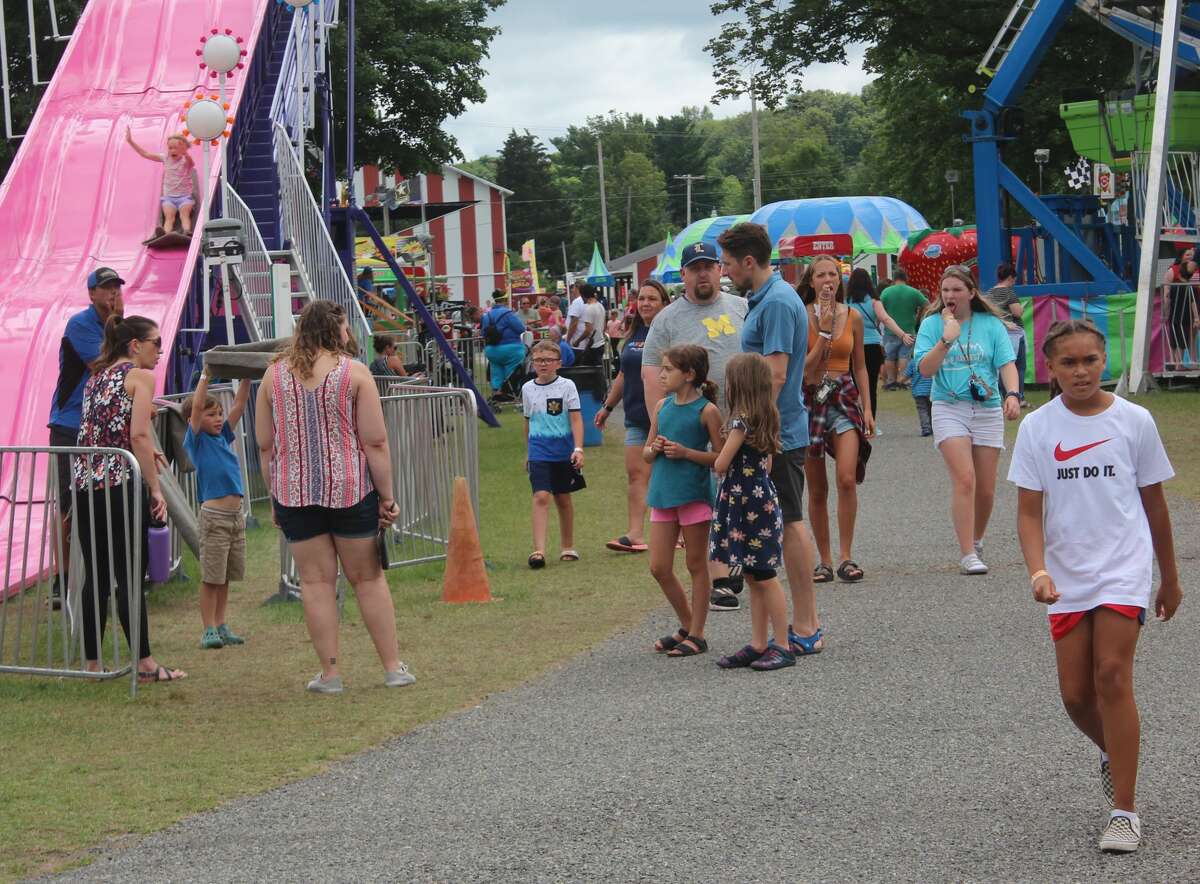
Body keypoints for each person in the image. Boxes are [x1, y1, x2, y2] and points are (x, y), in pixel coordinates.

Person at [1008, 319, 1181, 854]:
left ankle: (1124, 812)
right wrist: (1038, 570)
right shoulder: (1038, 428)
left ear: (1104, 360)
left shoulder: (1135, 420)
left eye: (1089, 361)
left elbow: (1154, 504)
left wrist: (1169, 576)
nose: (1080, 372)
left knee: (1111, 674)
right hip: (1066, 575)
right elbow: (1029, 514)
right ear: (1051, 368)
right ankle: (1114, 753)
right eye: (1068, 363)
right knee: (1076, 696)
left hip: (1123, 569)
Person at [255, 301, 414, 694]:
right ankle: (392, 667)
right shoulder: (355, 374)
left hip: (295, 491)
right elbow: (375, 442)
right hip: (349, 487)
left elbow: (265, 446)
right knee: (368, 578)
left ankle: (329, 675)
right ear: (335, 330)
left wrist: (275, 496)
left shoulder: (273, 377)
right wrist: (387, 496)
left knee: (315, 582)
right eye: (345, 328)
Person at [718, 223, 822, 653]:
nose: (724, 272)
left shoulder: (777, 302)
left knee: (792, 522)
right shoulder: (762, 299)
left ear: (748, 261)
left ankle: (807, 625)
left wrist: (754, 431)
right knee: (784, 523)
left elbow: (776, 374)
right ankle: (790, 626)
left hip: (776, 431)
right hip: (771, 428)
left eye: (727, 263)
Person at [74, 315, 185, 683]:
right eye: (156, 343)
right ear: (134, 345)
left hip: (87, 484)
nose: (160, 350)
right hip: (121, 482)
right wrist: (155, 488)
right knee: (130, 574)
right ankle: (145, 661)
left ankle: (93, 664)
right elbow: (138, 435)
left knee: (97, 577)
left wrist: (145, 448)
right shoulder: (140, 378)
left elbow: (101, 431)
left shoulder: (95, 380)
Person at [642, 242, 748, 605]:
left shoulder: (741, 307)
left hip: (740, 422)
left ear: (720, 269)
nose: (702, 273)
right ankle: (718, 576)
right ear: (683, 274)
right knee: (706, 498)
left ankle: (736, 559)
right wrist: (661, 427)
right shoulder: (667, 319)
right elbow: (652, 375)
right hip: (690, 424)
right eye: (694, 268)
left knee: (741, 495)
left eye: (708, 266)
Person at [914, 265, 1020, 575]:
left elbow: (1007, 364)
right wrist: (946, 341)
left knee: (986, 489)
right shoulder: (932, 325)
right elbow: (925, 370)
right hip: (949, 406)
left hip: (986, 407)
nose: (949, 296)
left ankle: (976, 539)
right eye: (945, 290)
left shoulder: (990, 324)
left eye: (956, 290)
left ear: (971, 293)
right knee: (965, 479)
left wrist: (1012, 394)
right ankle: (967, 554)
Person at [710, 354, 794, 671]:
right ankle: (759, 642)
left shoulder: (740, 421)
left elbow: (721, 463)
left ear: (737, 386)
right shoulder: (767, 416)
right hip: (761, 501)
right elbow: (768, 464)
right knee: (755, 573)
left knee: (765, 576)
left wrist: (721, 449)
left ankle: (782, 644)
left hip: (745, 505)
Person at [643, 345, 724, 658]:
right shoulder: (662, 406)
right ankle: (688, 625)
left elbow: (720, 458)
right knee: (659, 567)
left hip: (693, 495)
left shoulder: (707, 411)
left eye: (668, 369)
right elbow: (646, 453)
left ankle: (698, 634)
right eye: (661, 368)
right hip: (663, 495)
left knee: (695, 565)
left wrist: (687, 453)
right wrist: (657, 449)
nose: (661, 375)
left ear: (689, 375)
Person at [48, 267, 125, 594]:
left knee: (107, 499)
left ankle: (107, 571)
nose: (113, 294)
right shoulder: (80, 325)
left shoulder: (118, 325)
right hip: (69, 425)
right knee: (68, 503)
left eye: (116, 288)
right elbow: (106, 365)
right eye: (106, 288)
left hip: (101, 428)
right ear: (92, 294)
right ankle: (61, 578)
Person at [802, 254, 874, 584]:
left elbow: (860, 365)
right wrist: (826, 331)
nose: (828, 280)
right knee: (817, 487)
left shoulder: (854, 316)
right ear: (811, 281)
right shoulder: (801, 316)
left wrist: (868, 409)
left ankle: (846, 556)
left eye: (833, 274)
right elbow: (803, 367)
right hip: (812, 395)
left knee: (847, 477)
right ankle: (825, 560)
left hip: (844, 395)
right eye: (821, 275)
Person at [595, 279, 670, 553]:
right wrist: (607, 407)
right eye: (642, 299)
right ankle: (636, 533)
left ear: (664, 304)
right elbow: (624, 374)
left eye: (652, 299)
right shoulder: (635, 333)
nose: (646, 303)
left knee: (673, 473)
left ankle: (685, 531)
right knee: (636, 474)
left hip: (668, 414)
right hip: (637, 415)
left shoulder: (670, 330)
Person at [183, 370, 252, 650]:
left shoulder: (223, 437)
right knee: (211, 577)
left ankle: (221, 624)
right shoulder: (197, 441)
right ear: (195, 421)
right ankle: (208, 628)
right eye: (211, 415)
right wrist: (205, 377)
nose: (218, 418)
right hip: (214, 517)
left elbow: (239, 405)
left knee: (225, 576)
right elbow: (197, 406)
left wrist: (247, 375)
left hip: (236, 517)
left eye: (219, 414)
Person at [522, 340, 586, 568]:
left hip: (563, 451)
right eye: (538, 360)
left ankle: (567, 546)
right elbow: (527, 422)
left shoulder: (567, 386)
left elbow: (576, 419)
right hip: (539, 451)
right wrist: (528, 452)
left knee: (563, 497)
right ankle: (538, 550)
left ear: (558, 363)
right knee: (541, 496)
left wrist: (578, 448)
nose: (543, 364)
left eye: (548, 360)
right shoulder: (527, 388)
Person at [846, 267, 910, 419]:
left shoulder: (845, 302)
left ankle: (856, 421)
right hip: (873, 347)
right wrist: (902, 334)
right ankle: (871, 422)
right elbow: (886, 319)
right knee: (871, 386)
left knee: (853, 386)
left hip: (851, 346)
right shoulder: (874, 302)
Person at [125, 128, 196, 236]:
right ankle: (165, 234)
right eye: (170, 148)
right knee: (169, 217)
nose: (172, 150)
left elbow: (191, 163)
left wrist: (185, 153)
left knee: (184, 214)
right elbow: (145, 154)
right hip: (169, 198)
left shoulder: (185, 161)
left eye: (175, 148)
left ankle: (187, 231)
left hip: (184, 197)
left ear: (182, 149)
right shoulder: (165, 158)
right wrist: (130, 141)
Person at [984, 262, 1030, 406]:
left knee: (1000, 366)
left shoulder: (990, 293)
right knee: (1018, 366)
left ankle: (1001, 396)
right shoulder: (1009, 292)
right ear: (1010, 277)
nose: (1014, 282)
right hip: (1013, 334)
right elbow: (1017, 312)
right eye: (1014, 279)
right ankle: (1018, 396)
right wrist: (1021, 309)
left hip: (996, 332)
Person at [879, 268, 926, 389]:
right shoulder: (914, 292)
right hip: (908, 331)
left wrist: (878, 324)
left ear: (894, 279)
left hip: (890, 331)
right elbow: (928, 305)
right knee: (904, 356)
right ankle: (903, 380)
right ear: (906, 278)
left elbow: (879, 310)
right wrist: (920, 316)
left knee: (889, 356)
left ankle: (890, 381)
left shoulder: (886, 292)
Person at [481, 292, 526, 402]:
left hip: (492, 350)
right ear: (505, 301)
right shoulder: (508, 314)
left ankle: (496, 391)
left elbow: (483, 333)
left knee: (496, 371)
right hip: (511, 348)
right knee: (512, 371)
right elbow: (520, 329)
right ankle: (510, 392)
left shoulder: (487, 315)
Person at [1162, 247, 1200, 367]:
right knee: (1182, 337)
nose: (1190, 257)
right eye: (1187, 255)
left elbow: (1168, 296)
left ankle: (1181, 362)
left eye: (1192, 255)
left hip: (1182, 311)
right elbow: (1166, 292)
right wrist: (1196, 317)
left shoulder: (1179, 285)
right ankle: (1180, 363)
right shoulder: (1174, 271)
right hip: (1183, 312)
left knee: (1182, 337)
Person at [569, 284, 607, 366]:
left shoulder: (589, 309)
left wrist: (577, 341)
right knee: (598, 369)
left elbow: (588, 330)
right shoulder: (600, 306)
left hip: (593, 345)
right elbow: (603, 325)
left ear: (583, 295)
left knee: (587, 370)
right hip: (600, 342)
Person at [903, 353, 934, 436]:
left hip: (918, 391)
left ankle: (926, 429)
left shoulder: (913, 362)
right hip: (930, 390)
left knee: (922, 410)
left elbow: (905, 376)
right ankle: (933, 427)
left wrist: (899, 382)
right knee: (931, 409)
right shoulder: (931, 361)